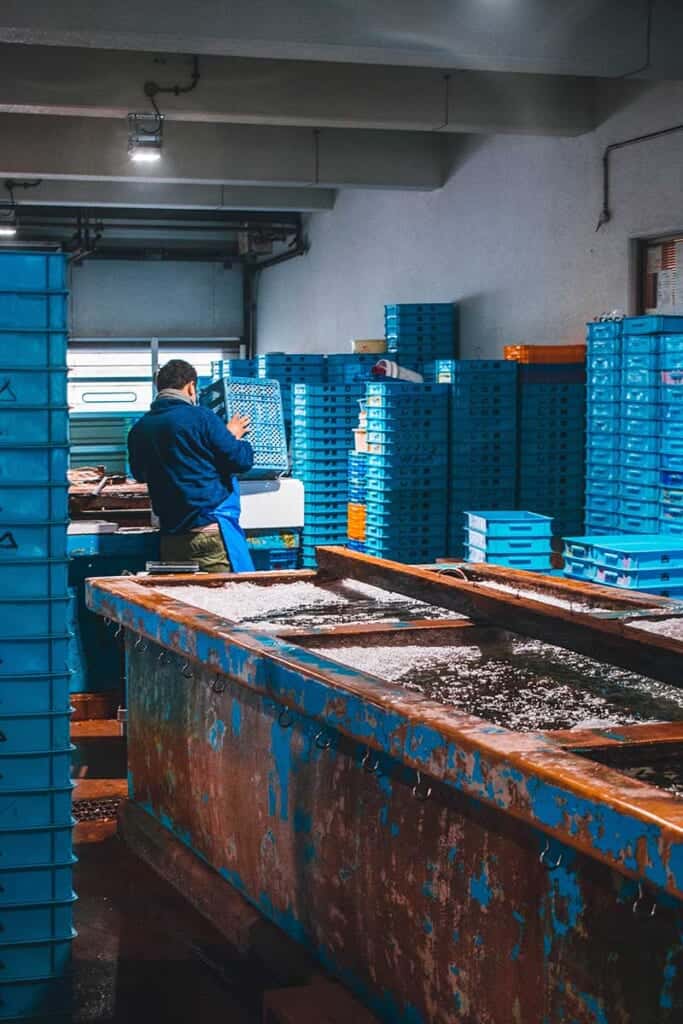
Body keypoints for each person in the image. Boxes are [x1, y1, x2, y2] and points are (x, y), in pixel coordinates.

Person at [128, 359, 254, 572]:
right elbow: (240, 461)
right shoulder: (201, 417)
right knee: (221, 603)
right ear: (190, 386)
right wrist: (234, 436)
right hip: (209, 534)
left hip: (171, 540)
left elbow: (140, 474)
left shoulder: (140, 429)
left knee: (184, 602)